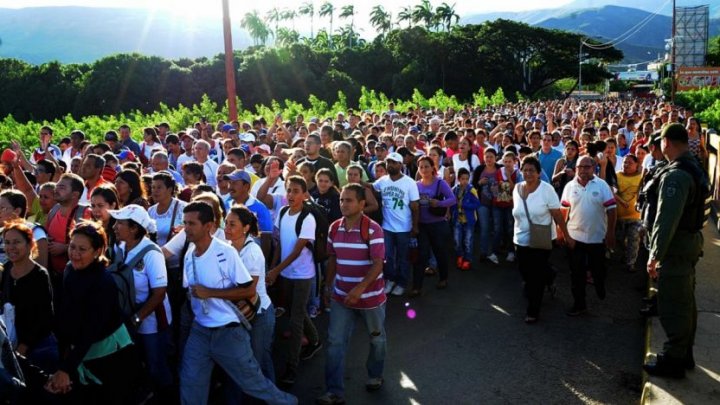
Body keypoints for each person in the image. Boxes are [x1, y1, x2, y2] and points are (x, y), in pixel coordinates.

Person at [179, 201, 296, 405]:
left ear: (208, 226)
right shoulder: (189, 254)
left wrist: (210, 293)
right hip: (200, 331)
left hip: (229, 331)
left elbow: (248, 290)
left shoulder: (228, 252)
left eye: (192, 224)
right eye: (185, 223)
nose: (186, 228)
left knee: (253, 381)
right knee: (190, 382)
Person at [46, 221, 139, 404]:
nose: (75, 254)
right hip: (81, 351)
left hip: (111, 357)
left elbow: (91, 329)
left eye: (82, 249)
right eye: (72, 247)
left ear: (97, 252)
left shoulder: (103, 283)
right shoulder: (70, 270)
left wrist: (66, 369)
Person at [643, 123, 708, 379]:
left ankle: (674, 359)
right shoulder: (692, 165)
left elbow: (666, 219)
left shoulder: (676, 175)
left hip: (675, 248)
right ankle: (684, 353)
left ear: (667, 142)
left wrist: (655, 254)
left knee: (674, 305)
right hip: (687, 244)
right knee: (685, 301)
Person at [317, 184, 386, 405]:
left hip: (371, 299)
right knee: (335, 343)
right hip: (341, 297)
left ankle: (375, 375)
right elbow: (332, 259)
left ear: (362, 204)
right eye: (341, 200)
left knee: (377, 340)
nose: (343, 204)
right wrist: (327, 287)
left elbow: (377, 264)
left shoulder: (373, 229)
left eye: (349, 200)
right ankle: (334, 391)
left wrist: (359, 289)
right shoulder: (334, 228)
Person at [109, 205, 173, 400]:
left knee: (156, 366)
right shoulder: (119, 247)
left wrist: (137, 319)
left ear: (134, 228)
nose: (114, 226)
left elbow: (159, 293)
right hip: (128, 317)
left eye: (120, 223)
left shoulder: (152, 253)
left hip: (151, 320)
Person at [266, 176, 322, 386]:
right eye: (289, 190)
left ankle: (292, 366)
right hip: (285, 273)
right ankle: (315, 340)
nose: (291, 195)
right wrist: (274, 268)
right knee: (294, 310)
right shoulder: (282, 213)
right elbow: (280, 244)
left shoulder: (307, 218)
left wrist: (276, 270)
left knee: (295, 320)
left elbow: (298, 250)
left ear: (304, 194)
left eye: (296, 191)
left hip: (302, 275)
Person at [512, 156, 572, 323]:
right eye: (525, 170)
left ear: (539, 173)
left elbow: (558, 215)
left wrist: (565, 235)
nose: (528, 173)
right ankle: (550, 275)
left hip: (542, 238)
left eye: (532, 170)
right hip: (521, 239)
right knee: (525, 270)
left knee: (534, 276)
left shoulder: (547, 190)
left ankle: (533, 310)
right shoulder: (516, 189)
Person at [224, 205, 275, 382]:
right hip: (242, 313)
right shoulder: (228, 247)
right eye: (226, 223)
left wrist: (212, 293)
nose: (227, 229)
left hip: (259, 314)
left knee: (259, 362)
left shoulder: (252, 251)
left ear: (245, 228)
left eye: (232, 224)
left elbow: (249, 290)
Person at [561, 155, 617, 316]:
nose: (583, 170)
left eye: (587, 167)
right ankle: (580, 304)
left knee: (598, 269)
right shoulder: (569, 187)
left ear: (594, 168)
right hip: (575, 236)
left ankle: (600, 284)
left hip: (597, 237)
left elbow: (612, 210)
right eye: (580, 167)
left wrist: (611, 233)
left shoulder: (602, 185)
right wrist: (562, 234)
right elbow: (564, 210)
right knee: (576, 273)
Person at [0, 222, 57, 373]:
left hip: (38, 348)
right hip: (12, 345)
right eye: (7, 242)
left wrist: (24, 345)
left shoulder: (39, 275)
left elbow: (46, 317)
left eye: (17, 242)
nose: (11, 247)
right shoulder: (6, 270)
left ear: (30, 244)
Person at [373, 153, 419, 297]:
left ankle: (402, 283)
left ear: (401, 165)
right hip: (387, 226)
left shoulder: (409, 182)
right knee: (387, 256)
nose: (390, 165)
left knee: (403, 257)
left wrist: (415, 226)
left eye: (394, 163)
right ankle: (390, 280)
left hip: (404, 228)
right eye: (388, 163)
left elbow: (415, 206)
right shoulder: (383, 180)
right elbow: (371, 187)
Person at [409, 156, 456, 297]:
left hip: (438, 224)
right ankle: (417, 287)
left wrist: (439, 203)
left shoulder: (440, 183)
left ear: (432, 167)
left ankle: (443, 278)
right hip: (422, 225)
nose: (424, 169)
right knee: (421, 256)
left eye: (426, 166)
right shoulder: (416, 185)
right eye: (421, 167)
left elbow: (452, 199)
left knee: (439, 252)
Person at [0, 190, 49, 269]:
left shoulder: (35, 231)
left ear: (17, 211)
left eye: (2, 208)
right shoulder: (2, 231)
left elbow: (40, 267)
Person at [614, 154, 643, 272]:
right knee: (619, 239)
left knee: (633, 238)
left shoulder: (641, 177)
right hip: (619, 216)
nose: (626, 165)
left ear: (637, 165)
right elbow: (611, 192)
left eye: (630, 163)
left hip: (635, 216)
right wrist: (621, 201)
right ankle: (625, 255)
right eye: (625, 162)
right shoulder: (617, 176)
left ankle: (631, 263)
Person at [451, 168, 480, 271]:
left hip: (469, 219)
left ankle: (467, 259)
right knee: (457, 239)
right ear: (459, 179)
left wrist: (464, 204)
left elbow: (477, 204)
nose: (465, 181)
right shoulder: (455, 189)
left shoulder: (471, 190)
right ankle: (460, 256)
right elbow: (451, 202)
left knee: (468, 240)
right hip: (457, 219)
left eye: (467, 179)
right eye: (463, 179)